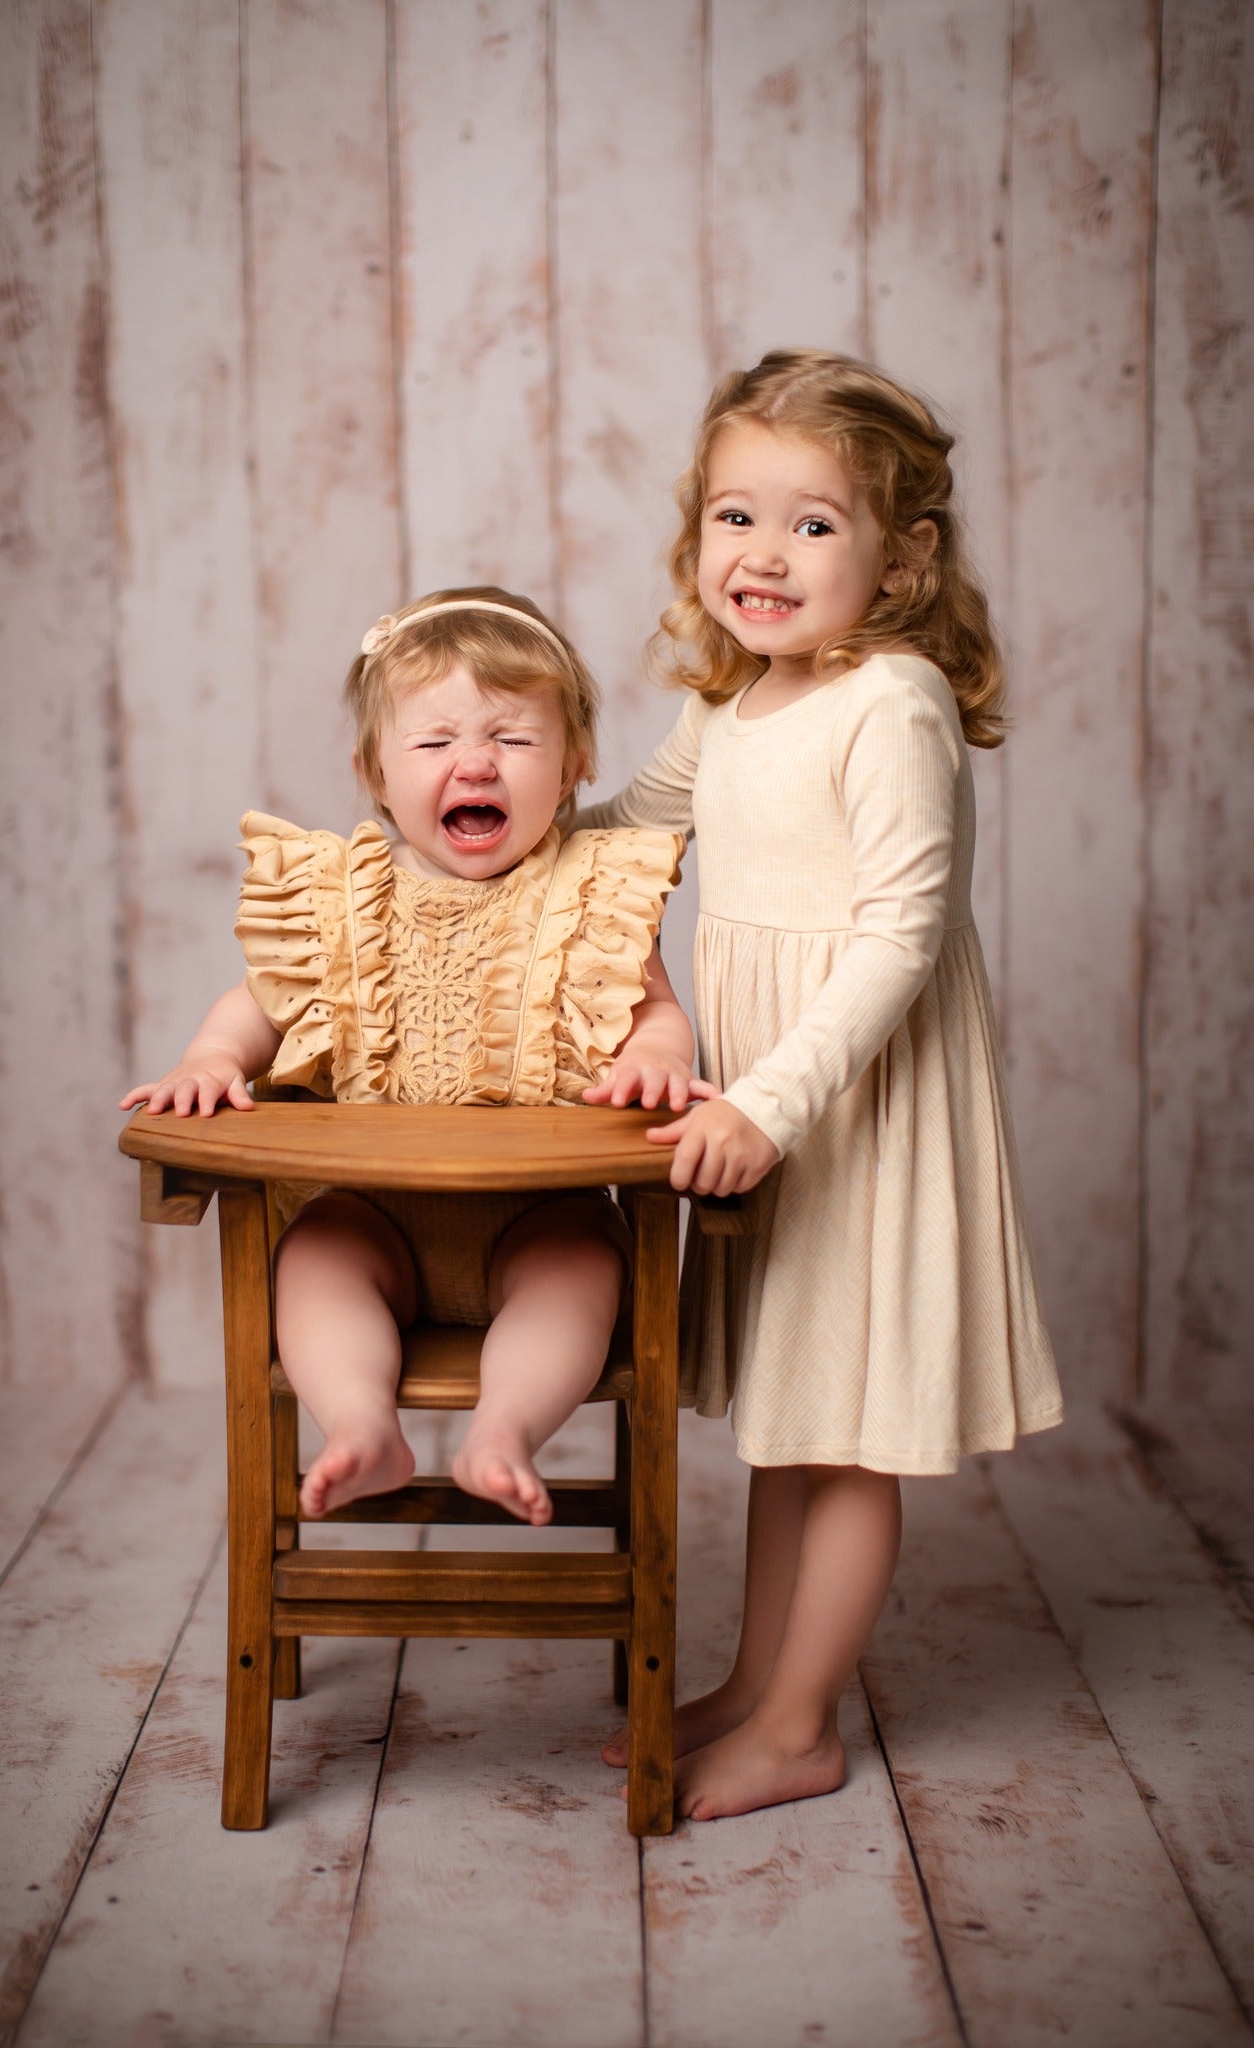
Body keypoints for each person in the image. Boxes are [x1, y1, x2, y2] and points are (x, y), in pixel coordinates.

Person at [583, 349, 1062, 1820]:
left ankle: (799, 1727)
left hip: (856, 1106)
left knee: (848, 1435)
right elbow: (627, 836)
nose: (765, 554)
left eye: (813, 523)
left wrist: (766, 1104)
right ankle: (755, 1684)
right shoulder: (731, 702)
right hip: (772, 1108)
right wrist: (481, 816)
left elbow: (901, 938)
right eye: (736, 517)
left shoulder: (890, 701)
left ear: (901, 557)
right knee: (791, 1415)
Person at [121, 587, 707, 1529]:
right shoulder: (337, 898)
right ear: (375, 774)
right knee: (313, 1261)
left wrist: (658, 1059)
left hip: (541, 1212)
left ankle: (503, 1433)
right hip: (372, 1212)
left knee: (580, 1271)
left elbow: (655, 1011)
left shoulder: (592, 896)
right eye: (433, 742)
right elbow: (260, 1006)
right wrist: (212, 1058)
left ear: (572, 767)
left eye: (513, 738)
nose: (474, 762)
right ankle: (361, 1426)